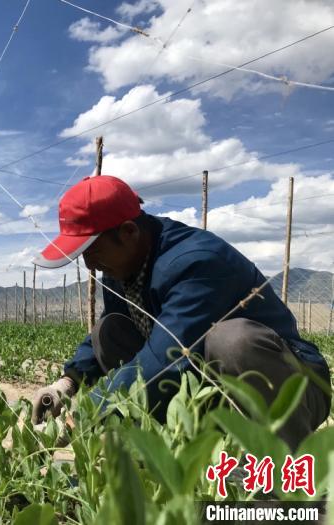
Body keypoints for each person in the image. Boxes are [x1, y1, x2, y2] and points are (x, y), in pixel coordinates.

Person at [30, 175, 330, 450]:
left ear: (128, 231)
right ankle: (167, 449)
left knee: (232, 340)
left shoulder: (197, 261)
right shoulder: (121, 266)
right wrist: (67, 383)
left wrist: (82, 417)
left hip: (293, 389)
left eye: (92, 251)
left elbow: (167, 357)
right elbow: (122, 342)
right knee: (109, 331)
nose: (90, 265)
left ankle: (277, 462)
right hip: (210, 385)